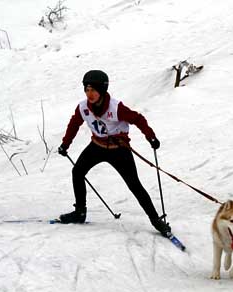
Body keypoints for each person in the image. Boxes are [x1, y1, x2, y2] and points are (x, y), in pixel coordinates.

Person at [57, 70, 171, 237]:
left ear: (102, 90)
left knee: (134, 185)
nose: (90, 94)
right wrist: (65, 144)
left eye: (93, 90)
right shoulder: (83, 107)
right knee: (78, 172)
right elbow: (74, 124)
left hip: (119, 150)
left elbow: (138, 119)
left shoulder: (116, 108)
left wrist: (150, 136)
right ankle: (80, 212)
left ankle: (156, 221)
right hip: (96, 146)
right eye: (87, 89)